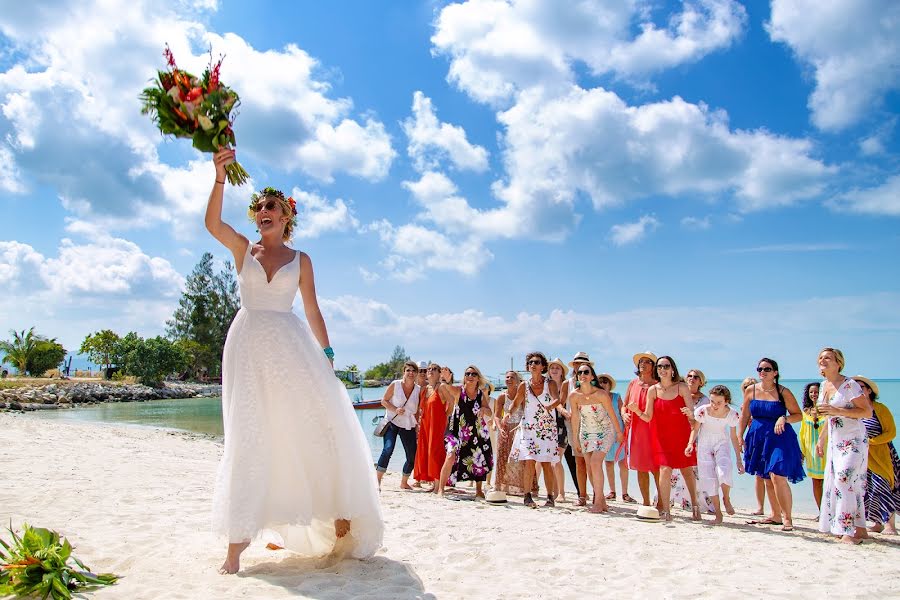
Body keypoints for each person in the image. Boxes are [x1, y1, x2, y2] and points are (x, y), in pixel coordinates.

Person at [205, 149, 382, 574]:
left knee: (310, 424)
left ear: (287, 218)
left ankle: (338, 516)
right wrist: (219, 176)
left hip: (289, 343)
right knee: (249, 433)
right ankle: (234, 551)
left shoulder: (302, 260)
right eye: (261, 207)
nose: (265, 211)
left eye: (273, 207)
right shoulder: (244, 250)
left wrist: (328, 355)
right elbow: (212, 224)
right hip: (247, 345)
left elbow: (313, 309)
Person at [740, 357, 804, 532]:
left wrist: (784, 417)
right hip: (758, 436)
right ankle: (775, 515)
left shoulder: (784, 392)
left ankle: (787, 518)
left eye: (767, 369)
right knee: (766, 477)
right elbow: (745, 415)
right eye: (760, 369)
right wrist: (740, 437)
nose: (762, 372)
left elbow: (798, 415)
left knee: (778, 475)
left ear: (775, 373)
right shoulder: (750, 391)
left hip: (780, 436)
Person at [816, 348, 871, 544]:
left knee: (843, 480)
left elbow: (867, 412)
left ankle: (847, 531)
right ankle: (860, 528)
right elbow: (829, 416)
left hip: (853, 439)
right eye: (821, 357)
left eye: (827, 357)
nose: (823, 360)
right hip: (835, 440)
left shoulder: (850, 385)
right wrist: (821, 439)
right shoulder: (824, 385)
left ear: (838, 362)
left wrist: (837, 410)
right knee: (848, 483)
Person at [632, 356, 698, 521]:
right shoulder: (653, 390)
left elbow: (693, 416)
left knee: (687, 471)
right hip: (661, 437)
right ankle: (666, 511)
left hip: (681, 435)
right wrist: (636, 411)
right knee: (664, 470)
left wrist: (691, 414)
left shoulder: (682, 387)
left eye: (666, 366)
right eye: (660, 366)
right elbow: (648, 417)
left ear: (672, 369)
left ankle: (695, 506)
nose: (662, 369)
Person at [508, 352, 560, 508]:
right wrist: (507, 414)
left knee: (545, 462)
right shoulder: (524, 385)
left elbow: (558, 399)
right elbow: (516, 403)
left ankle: (550, 497)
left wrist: (551, 406)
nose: (533, 364)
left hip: (546, 428)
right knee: (529, 461)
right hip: (529, 428)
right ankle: (527, 496)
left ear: (543, 366)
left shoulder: (549, 384)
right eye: (530, 362)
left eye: (537, 362)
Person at [686, 385, 743, 524]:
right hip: (704, 444)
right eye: (712, 401)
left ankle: (726, 499)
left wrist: (739, 460)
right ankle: (718, 513)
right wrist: (690, 444)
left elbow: (734, 437)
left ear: (726, 401)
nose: (714, 405)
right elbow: (695, 429)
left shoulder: (732, 414)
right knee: (709, 480)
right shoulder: (702, 411)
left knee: (724, 471)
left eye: (719, 402)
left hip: (721, 442)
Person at [570, 363, 623, 513]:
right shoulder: (574, 395)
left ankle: (598, 502)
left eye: (586, 372)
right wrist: (575, 438)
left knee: (595, 462)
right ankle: (602, 500)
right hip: (586, 433)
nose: (582, 375)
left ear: (592, 376)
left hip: (605, 431)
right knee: (590, 468)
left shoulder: (600, 394)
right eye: (579, 373)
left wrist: (619, 433)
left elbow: (612, 414)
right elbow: (575, 418)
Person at [436, 365, 494, 498]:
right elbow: (444, 388)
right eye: (467, 374)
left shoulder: (480, 394)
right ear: (464, 377)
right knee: (450, 456)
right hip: (456, 431)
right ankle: (441, 489)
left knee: (478, 458)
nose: (470, 376)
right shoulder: (458, 391)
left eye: (473, 374)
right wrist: (446, 380)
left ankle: (478, 491)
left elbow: (489, 412)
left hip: (476, 432)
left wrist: (485, 410)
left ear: (478, 378)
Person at [855, 375, 900, 535]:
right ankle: (876, 523)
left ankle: (890, 526)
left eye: (861, 387)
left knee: (884, 486)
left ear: (868, 390)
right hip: (861, 457)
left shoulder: (880, 409)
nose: (858, 390)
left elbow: (891, 432)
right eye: (855, 387)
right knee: (867, 489)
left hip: (882, 455)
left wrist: (870, 442)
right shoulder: (853, 409)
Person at [622, 352, 661, 509]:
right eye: (640, 361)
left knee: (657, 467)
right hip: (636, 431)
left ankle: (662, 502)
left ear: (654, 366)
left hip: (654, 429)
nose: (642, 364)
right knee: (641, 467)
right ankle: (645, 502)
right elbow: (624, 405)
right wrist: (624, 414)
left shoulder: (658, 385)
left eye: (647, 361)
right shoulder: (633, 383)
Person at [375, 362, 420, 490]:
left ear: (416, 373)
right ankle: (377, 481)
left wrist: (417, 426)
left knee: (412, 455)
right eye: (408, 370)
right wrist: (395, 409)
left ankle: (404, 482)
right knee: (388, 449)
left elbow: (417, 410)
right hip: (392, 422)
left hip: (408, 424)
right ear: (404, 372)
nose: (411, 373)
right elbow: (383, 401)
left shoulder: (418, 390)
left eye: (413, 371)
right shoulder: (395, 384)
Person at [560, 352, 594, 505]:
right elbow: (559, 403)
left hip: (592, 426)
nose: (579, 366)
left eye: (582, 363)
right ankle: (582, 495)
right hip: (573, 425)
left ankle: (596, 493)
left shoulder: (594, 383)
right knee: (580, 462)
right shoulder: (568, 384)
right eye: (576, 363)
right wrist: (565, 412)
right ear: (573, 365)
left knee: (593, 463)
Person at [494, 370, 535, 495]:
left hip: (520, 429)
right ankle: (502, 486)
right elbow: (496, 416)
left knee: (523, 459)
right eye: (507, 377)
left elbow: (527, 412)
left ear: (518, 381)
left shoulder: (521, 394)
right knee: (503, 457)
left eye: (512, 377)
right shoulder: (501, 396)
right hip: (505, 429)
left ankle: (526, 487)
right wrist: (500, 428)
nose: (509, 379)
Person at [413, 363, 447, 492]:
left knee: (435, 452)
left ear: (439, 373)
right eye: (429, 369)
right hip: (425, 425)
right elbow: (419, 410)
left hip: (437, 425)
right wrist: (417, 424)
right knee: (426, 452)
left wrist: (445, 417)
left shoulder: (441, 387)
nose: (430, 371)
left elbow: (453, 402)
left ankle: (438, 486)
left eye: (434, 369)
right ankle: (433, 483)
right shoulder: (424, 390)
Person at [598, 373, 630, 502]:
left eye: (605, 382)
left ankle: (625, 493)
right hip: (604, 434)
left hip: (619, 433)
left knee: (623, 463)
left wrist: (623, 431)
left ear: (610, 385)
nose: (603, 384)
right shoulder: (596, 398)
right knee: (609, 463)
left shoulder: (616, 397)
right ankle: (612, 491)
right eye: (600, 382)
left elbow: (623, 411)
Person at [740, 376, 767, 516]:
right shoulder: (743, 405)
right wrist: (740, 438)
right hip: (753, 438)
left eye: (750, 386)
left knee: (772, 474)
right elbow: (742, 423)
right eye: (745, 387)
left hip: (766, 436)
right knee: (758, 475)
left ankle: (778, 507)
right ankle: (760, 507)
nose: (748, 389)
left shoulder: (763, 401)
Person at [798, 382, 826, 510]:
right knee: (816, 482)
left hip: (826, 450)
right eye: (811, 392)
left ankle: (831, 512)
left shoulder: (827, 410)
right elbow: (802, 433)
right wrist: (802, 452)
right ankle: (821, 511)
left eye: (816, 392)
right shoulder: (805, 412)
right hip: (811, 452)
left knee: (829, 482)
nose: (814, 394)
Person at [547, 358, 571, 502]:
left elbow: (562, 404)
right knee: (547, 461)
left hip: (562, 424)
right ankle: (554, 492)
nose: (554, 370)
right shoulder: (545, 386)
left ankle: (561, 493)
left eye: (558, 368)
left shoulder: (566, 386)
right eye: (552, 368)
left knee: (556, 459)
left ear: (562, 372)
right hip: (546, 424)